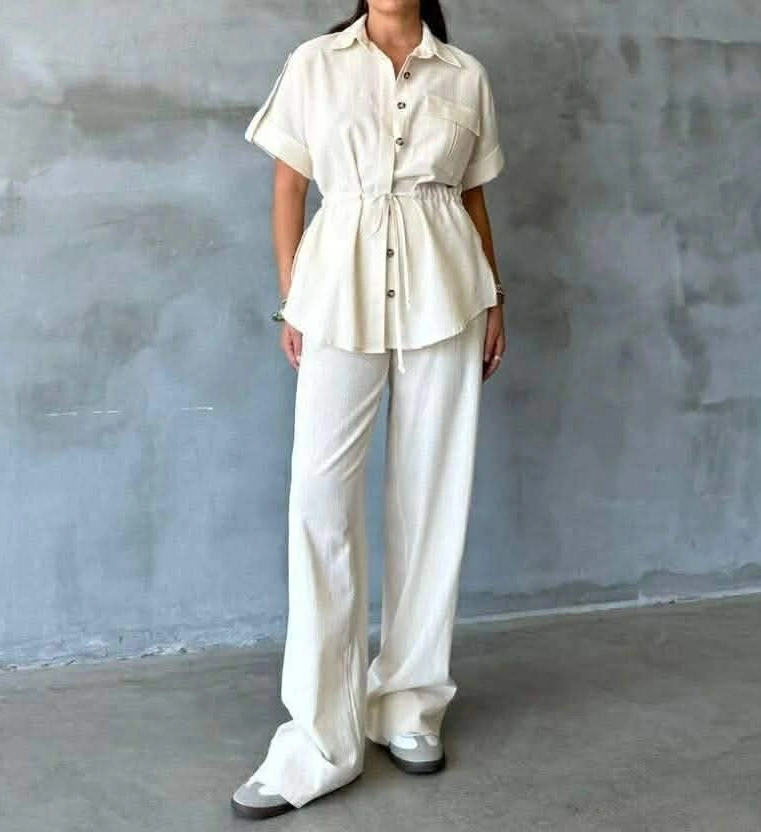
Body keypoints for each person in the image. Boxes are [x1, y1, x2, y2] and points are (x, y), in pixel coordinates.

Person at [233, 0, 507, 819]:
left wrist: (495, 297)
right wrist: (293, 299)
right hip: (336, 287)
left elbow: (471, 198)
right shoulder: (314, 63)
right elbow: (289, 185)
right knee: (320, 503)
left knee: (432, 498)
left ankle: (409, 705)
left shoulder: (465, 76)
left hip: (448, 289)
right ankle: (320, 738)